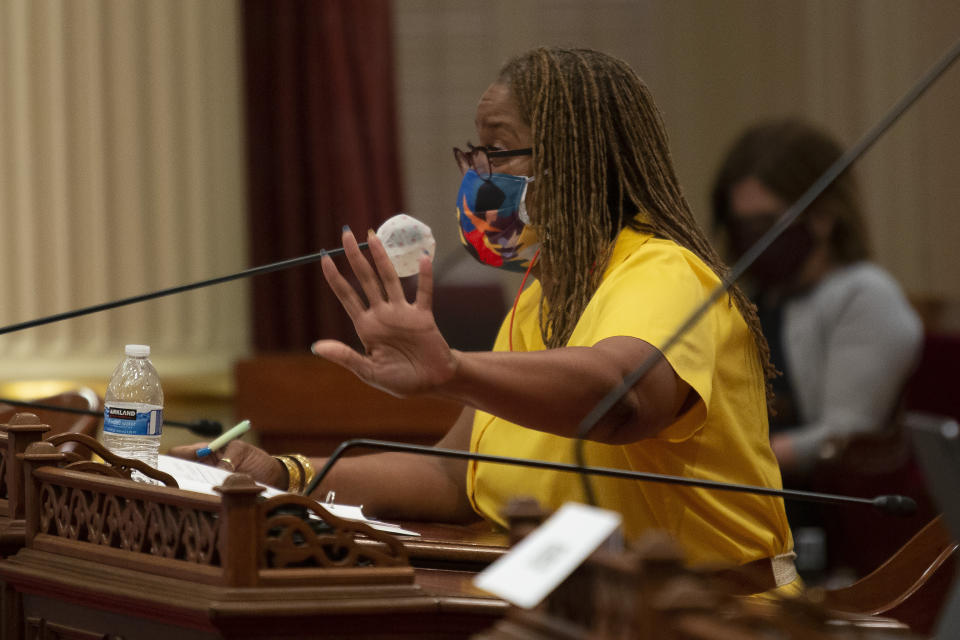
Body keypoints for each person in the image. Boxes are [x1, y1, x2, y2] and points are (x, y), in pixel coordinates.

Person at [173, 48, 797, 591]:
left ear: (579, 162)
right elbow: (452, 474)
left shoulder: (666, 273)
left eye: (497, 151)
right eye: (472, 153)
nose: (477, 175)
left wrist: (451, 370)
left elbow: (621, 400)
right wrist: (286, 475)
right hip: (565, 608)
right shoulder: (539, 299)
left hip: (706, 617)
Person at [710, 119, 923, 478]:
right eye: (741, 227)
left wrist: (728, 464)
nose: (752, 240)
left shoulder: (865, 295)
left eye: (764, 224)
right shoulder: (750, 295)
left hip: (826, 512)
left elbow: (845, 436)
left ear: (822, 216)